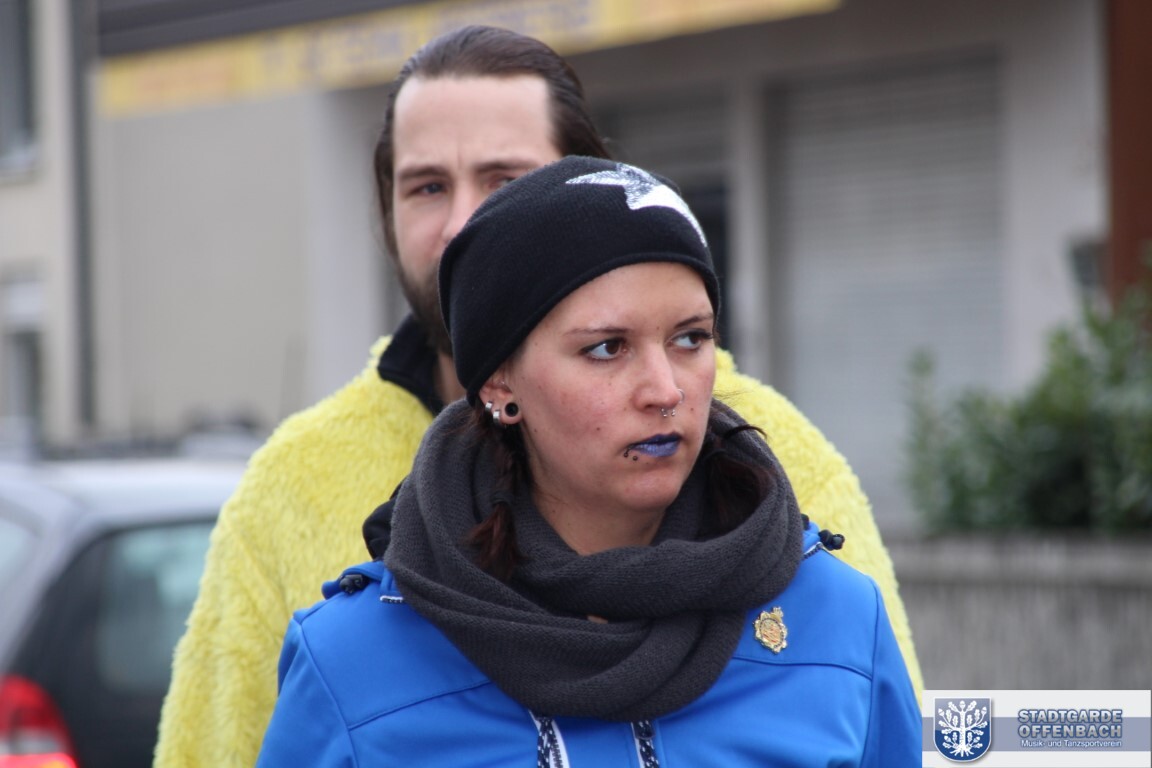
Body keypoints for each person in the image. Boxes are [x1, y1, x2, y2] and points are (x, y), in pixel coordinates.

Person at [155, 26, 922, 768]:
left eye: (505, 183)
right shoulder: (316, 561)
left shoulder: (809, 539)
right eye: (428, 186)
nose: (462, 224)